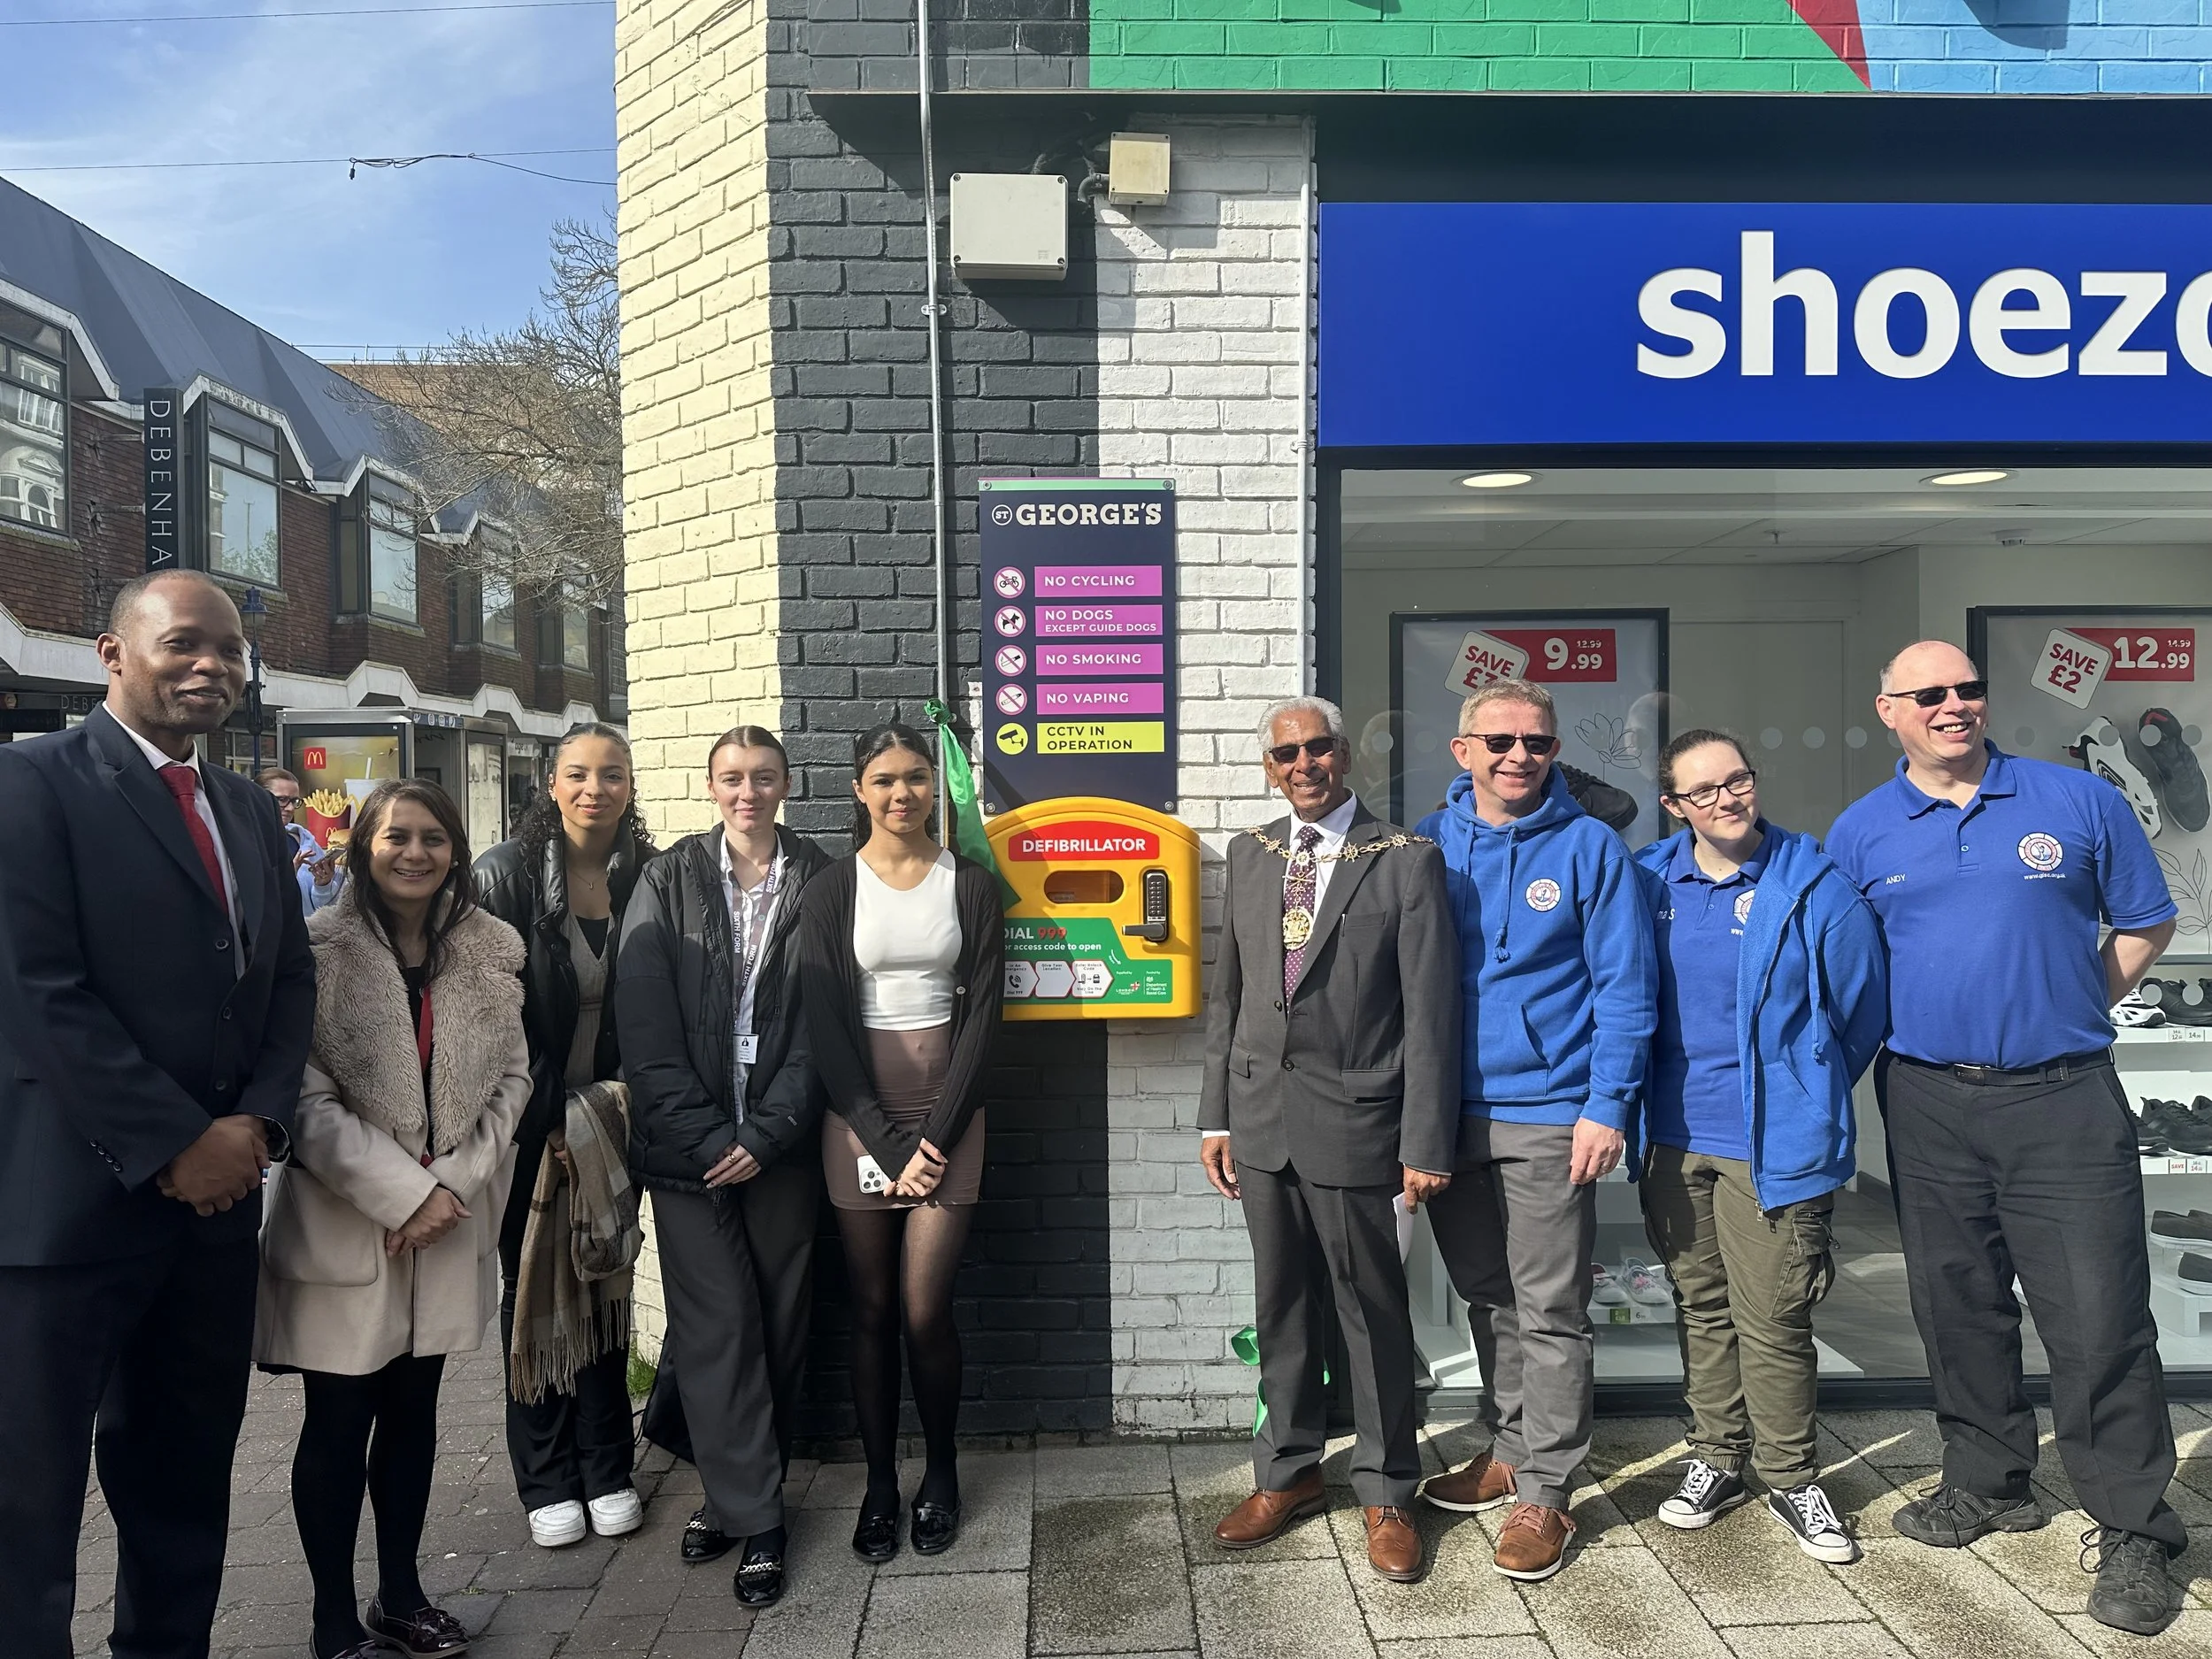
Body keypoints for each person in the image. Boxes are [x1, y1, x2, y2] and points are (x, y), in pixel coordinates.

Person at [1826, 641, 2186, 1638]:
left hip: (2062, 1096)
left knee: (2100, 1315)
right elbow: (1850, 964)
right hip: (1925, 1097)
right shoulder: (1860, 831)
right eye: (1929, 694)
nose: (1954, 704)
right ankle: (1988, 1480)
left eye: (1968, 687)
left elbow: (2145, 923)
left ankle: (2134, 1526)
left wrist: (2071, 1002)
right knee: (1956, 1302)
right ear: (1888, 710)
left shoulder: (2076, 801)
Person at [0, 568, 316, 1659]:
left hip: (210, 1222)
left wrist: (257, 1128)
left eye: (229, 650)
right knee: (26, 1509)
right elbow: (37, 990)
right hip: (65, 1218)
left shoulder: (247, 809)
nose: (212, 666)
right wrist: (177, 1141)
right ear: (112, 653)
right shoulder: (30, 784)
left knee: (183, 1488)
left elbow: (286, 984)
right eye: (184, 642)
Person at [256, 779, 531, 1659]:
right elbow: (301, 1097)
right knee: (337, 1424)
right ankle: (332, 1617)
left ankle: (402, 1594)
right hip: (347, 1227)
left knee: (414, 1417)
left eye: (433, 838)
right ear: (364, 848)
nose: (416, 853)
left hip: (447, 1228)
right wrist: (404, 1195)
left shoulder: (491, 949)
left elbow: (513, 1080)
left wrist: (449, 1187)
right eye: (397, 837)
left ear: (455, 850)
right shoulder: (315, 950)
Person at [1199, 696, 1461, 1584]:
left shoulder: (1404, 858)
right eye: (1286, 754)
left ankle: (1388, 1490)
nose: (1303, 764)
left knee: (1370, 1310)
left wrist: (1425, 1139)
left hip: (1359, 1124)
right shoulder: (1249, 854)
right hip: (1260, 1121)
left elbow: (1429, 1015)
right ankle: (1289, 1471)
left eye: (1318, 748)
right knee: (1280, 1307)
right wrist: (1215, 1115)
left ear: (1344, 755)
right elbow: (1230, 998)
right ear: (1269, 769)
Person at [1413, 678, 1656, 1583]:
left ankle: (1548, 1489)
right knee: (1488, 1295)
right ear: (1463, 751)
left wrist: (1607, 1104)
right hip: (1447, 1117)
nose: (1519, 756)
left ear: (1556, 751)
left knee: (1549, 1307)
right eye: (1501, 740)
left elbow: (1626, 985)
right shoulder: (1428, 844)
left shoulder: (1591, 847)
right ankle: (1510, 1446)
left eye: (1538, 742)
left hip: (1552, 1112)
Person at [1631, 730, 1886, 1563]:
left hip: (1769, 1144)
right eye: (1702, 791)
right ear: (1674, 805)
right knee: (1701, 1304)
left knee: (1773, 1315)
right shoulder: (1647, 882)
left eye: (1736, 780)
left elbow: (1860, 1012)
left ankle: (1791, 1474)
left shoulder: (1812, 886)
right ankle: (1717, 1455)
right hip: (1672, 1139)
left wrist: (1803, 1088)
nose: (1726, 800)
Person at [616, 726, 832, 1607]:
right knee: (717, 1325)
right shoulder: (666, 878)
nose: (749, 791)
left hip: (782, 1147)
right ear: (712, 786)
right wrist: (711, 1139)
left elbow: (828, 1021)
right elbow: (644, 1024)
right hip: (689, 1153)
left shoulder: (822, 879)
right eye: (733, 777)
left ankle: (732, 1488)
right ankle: (759, 1516)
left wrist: (767, 1133)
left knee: (778, 1321)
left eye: (764, 776)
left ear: (786, 784)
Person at [799, 722, 1002, 1563]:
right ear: (859, 789)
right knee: (873, 1309)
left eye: (916, 777)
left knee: (924, 1310)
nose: (902, 793)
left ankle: (941, 1471)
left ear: (934, 785)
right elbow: (824, 1028)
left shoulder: (972, 885)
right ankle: (880, 1482)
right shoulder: (831, 889)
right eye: (884, 779)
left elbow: (985, 1019)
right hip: (858, 1120)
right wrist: (886, 1144)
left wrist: (935, 1138)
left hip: (949, 1115)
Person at [474, 723, 654, 1548]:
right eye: (578, 774)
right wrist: (549, 1118)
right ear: (551, 783)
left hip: (614, 1122)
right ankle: (546, 1477)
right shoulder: (503, 876)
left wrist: (600, 1117)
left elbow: (659, 1008)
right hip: (526, 1126)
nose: (595, 789)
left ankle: (608, 1464)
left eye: (611, 775)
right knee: (535, 1284)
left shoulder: (649, 875)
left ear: (629, 786)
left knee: (605, 1280)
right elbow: (490, 1016)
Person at [261, 765, 344, 914]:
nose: (290, 808)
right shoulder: (247, 843)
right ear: (258, 797)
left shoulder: (306, 841)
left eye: (294, 801)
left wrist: (323, 885)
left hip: (309, 927)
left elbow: (321, 907)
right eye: (281, 800)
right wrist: (287, 877)